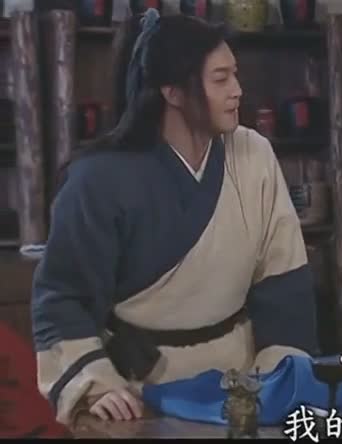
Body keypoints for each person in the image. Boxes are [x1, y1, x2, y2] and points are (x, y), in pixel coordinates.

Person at [31, 10, 319, 426]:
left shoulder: (253, 155)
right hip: (137, 390)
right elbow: (62, 299)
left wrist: (277, 375)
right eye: (220, 79)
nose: (237, 90)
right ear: (173, 91)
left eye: (235, 75)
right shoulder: (97, 180)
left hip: (242, 383)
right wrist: (97, 384)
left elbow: (283, 281)